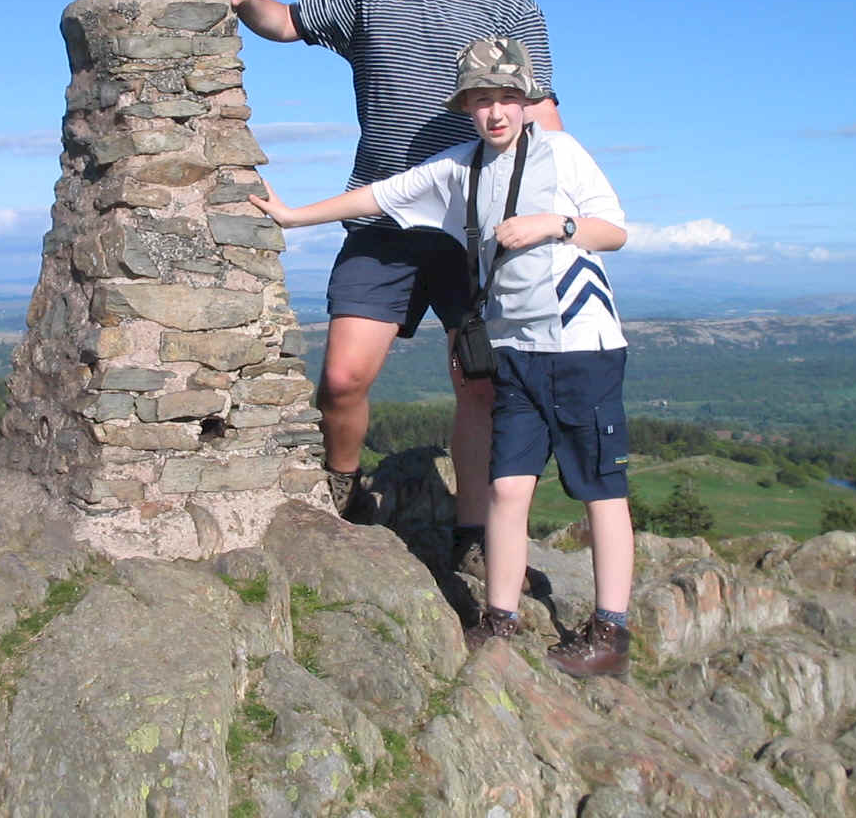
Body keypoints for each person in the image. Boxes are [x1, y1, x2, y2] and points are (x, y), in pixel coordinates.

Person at [199, 0, 561, 574]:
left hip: (478, 231)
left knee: (479, 384)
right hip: (381, 220)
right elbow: (288, 23)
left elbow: (540, 111)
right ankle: (344, 490)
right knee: (341, 380)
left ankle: (469, 532)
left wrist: (558, 211)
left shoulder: (509, 2)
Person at [250, 37, 635, 677]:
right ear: (467, 108)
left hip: (580, 345)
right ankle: (499, 621)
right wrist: (293, 218)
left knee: (600, 487)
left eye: (508, 98)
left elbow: (613, 230)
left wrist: (553, 225)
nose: (497, 113)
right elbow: (380, 196)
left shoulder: (562, 154)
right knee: (508, 487)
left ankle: (610, 633)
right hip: (515, 348)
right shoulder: (462, 168)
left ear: (528, 100)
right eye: (483, 100)